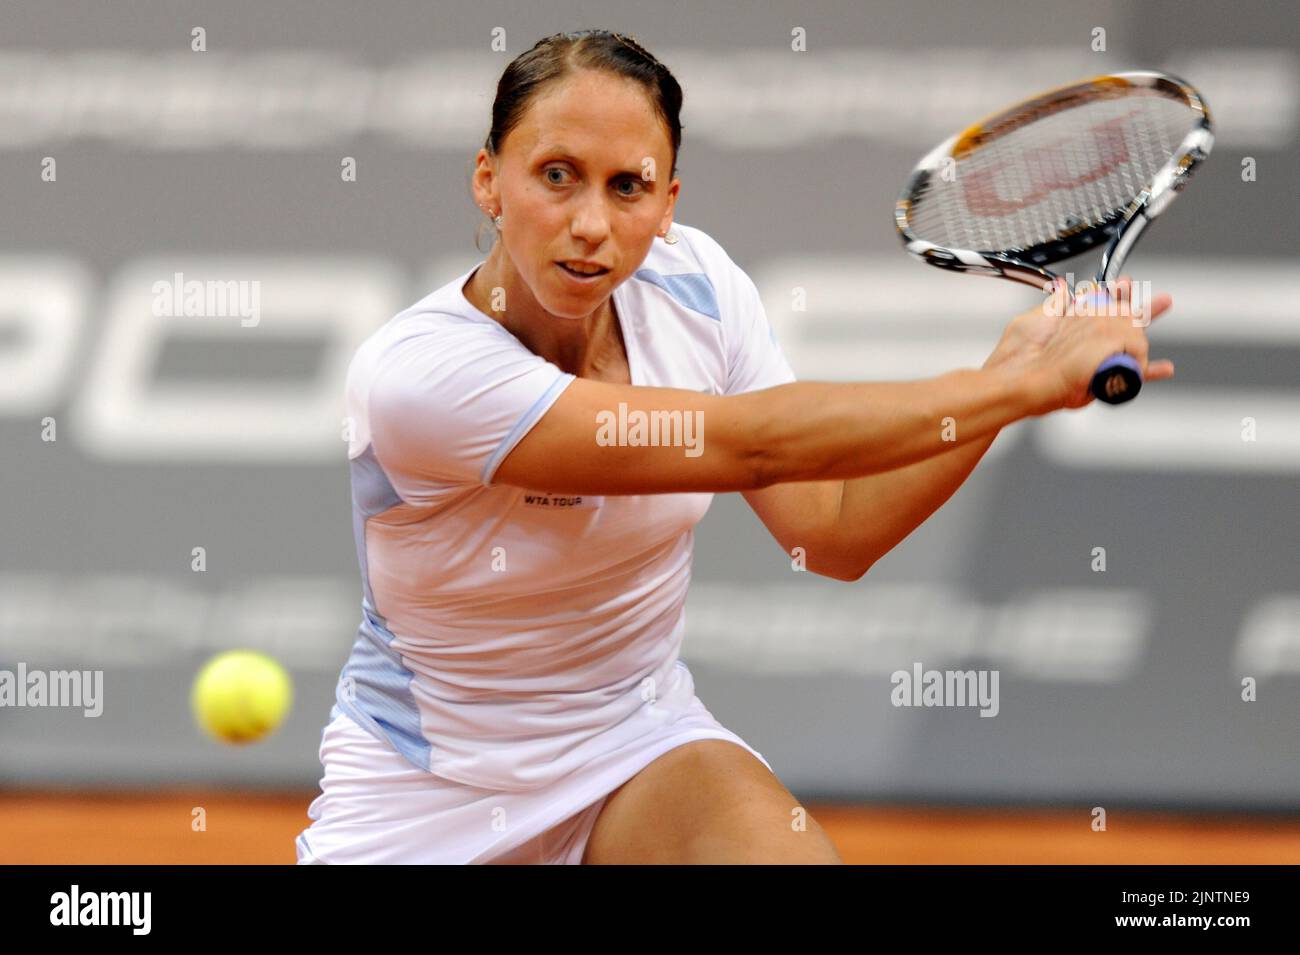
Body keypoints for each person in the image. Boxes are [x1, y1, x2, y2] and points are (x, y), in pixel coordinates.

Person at [294, 29, 1173, 865]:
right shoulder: (422, 376)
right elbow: (748, 445)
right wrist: (1018, 386)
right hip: (429, 792)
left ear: (669, 202)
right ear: (489, 181)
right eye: (555, 175)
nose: (590, 222)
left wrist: (1005, 374)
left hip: (632, 745)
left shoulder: (699, 290)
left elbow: (831, 531)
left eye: (627, 186)